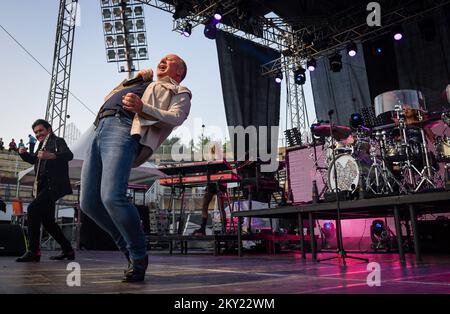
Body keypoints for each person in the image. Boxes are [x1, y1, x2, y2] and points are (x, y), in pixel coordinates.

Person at [80, 54, 191, 282]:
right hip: (100, 127)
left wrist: (142, 108)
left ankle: (138, 254)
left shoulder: (180, 90)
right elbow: (108, 97)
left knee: (111, 197)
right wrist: (136, 77)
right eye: (163, 57)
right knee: (89, 203)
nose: (163, 60)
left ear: (178, 72)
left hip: (124, 127)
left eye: (170, 60)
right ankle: (130, 250)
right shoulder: (142, 82)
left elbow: (177, 117)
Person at [16, 119, 75, 262]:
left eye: (40, 131)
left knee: (32, 209)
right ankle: (68, 250)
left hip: (54, 185)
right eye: (35, 132)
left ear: (49, 129)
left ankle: (33, 251)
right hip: (42, 186)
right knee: (48, 221)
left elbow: (69, 155)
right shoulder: (41, 145)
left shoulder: (57, 141)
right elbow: (34, 160)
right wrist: (23, 154)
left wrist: (52, 155)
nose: (38, 134)